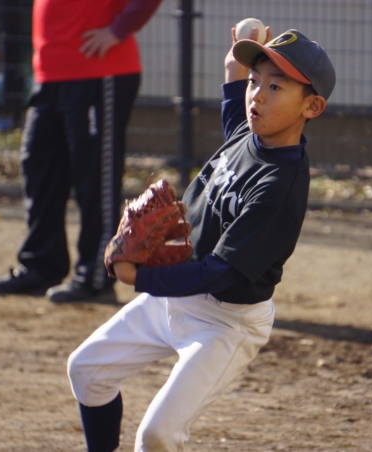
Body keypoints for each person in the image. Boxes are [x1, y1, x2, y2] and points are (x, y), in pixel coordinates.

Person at [67, 24, 336, 451]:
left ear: (312, 106)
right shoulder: (250, 134)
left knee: (157, 435)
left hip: (225, 323)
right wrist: (234, 68)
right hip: (177, 294)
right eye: (255, 81)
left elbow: (220, 272)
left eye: (275, 86)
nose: (257, 95)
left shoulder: (279, 188)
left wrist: (139, 277)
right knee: (86, 370)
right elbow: (234, 108)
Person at [0, 0, 164, 302]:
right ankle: (41, 267)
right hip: (50, 73)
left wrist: (118, 30)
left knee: (94, 178)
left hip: (98, 70)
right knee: (39, 170)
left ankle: (95, 277)